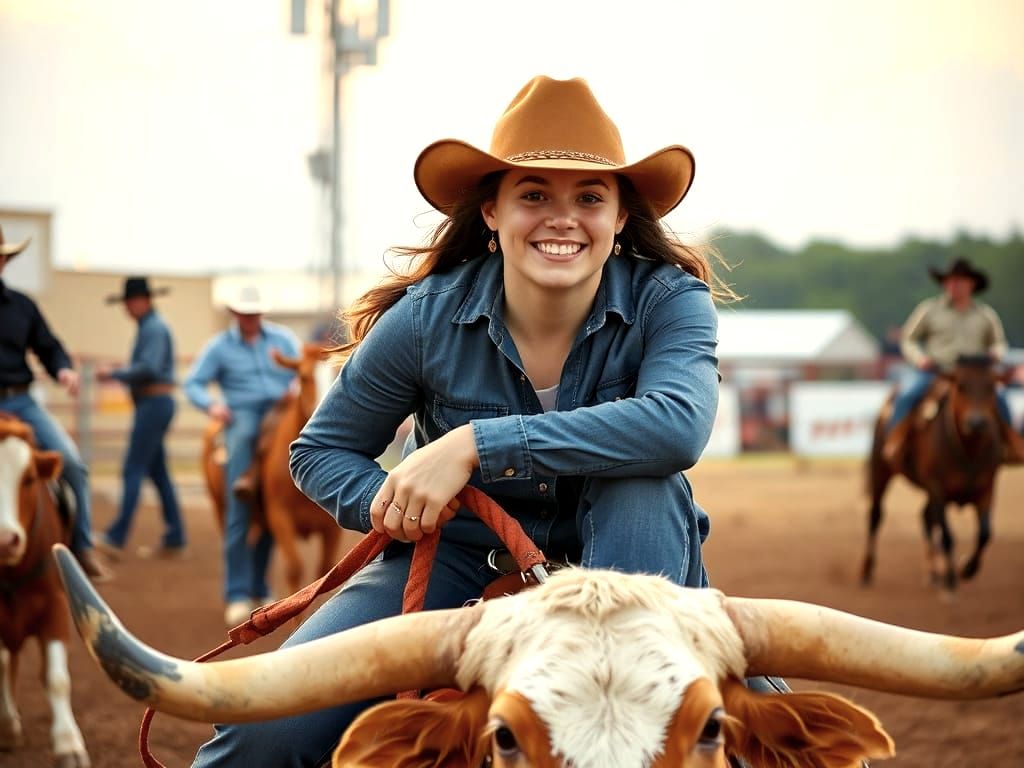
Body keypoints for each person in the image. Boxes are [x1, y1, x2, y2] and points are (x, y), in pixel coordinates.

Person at [192, 75, 765, 767]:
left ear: (619, 218)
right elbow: (322, 450)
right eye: (533, 196)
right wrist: (395, 500)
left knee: (777, 739)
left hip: (638, 568)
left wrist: (473, 445)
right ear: (491, 212)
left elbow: (677, 426)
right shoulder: (428, 317)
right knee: (262, 732)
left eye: (589, 197)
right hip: (461, 555)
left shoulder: (671, 302)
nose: (563, 218)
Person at [0, 225, 112, 582]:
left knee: (73, 464)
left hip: (21, 402)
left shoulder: (22, 305)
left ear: (5, 259)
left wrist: (63, 369)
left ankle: (81, 548)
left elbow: (48, 346)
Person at [184, 285, 300, 626]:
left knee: (271, 507)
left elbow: (301, 372)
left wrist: (296, 387)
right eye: (245, 314)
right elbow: (193, 384)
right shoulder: (219, 347)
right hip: (243, 413)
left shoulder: (283, 339)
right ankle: (236, 593)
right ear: (235, 314)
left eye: (255, 313)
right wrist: (213, 405)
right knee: (241, 510)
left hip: (280, 410)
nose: (251, 319)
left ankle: (259, 586)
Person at [883, 256, 1024, 464]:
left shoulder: (985, 315)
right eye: (949, 281)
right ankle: (894, 441)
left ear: (971, 284)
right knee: (907, 395)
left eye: (959, 281)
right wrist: (920, 359)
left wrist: (995, 353)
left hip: (974, 375)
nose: (953, 285)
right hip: (936, 371)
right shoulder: (929, 310)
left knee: (1001, 400)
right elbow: (908, 339)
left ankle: (1012, 444)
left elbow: (999, 343)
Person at [94, 276, 187, 560]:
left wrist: (114, 373)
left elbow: (147, 368)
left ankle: (117, 535)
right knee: (157, 472)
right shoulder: (152, 327)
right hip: (155, 402)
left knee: (133, 467)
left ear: (142, 301)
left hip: (154, 403)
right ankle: (175, 535)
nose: (127, 308)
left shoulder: (154, 329)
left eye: (129, 302)